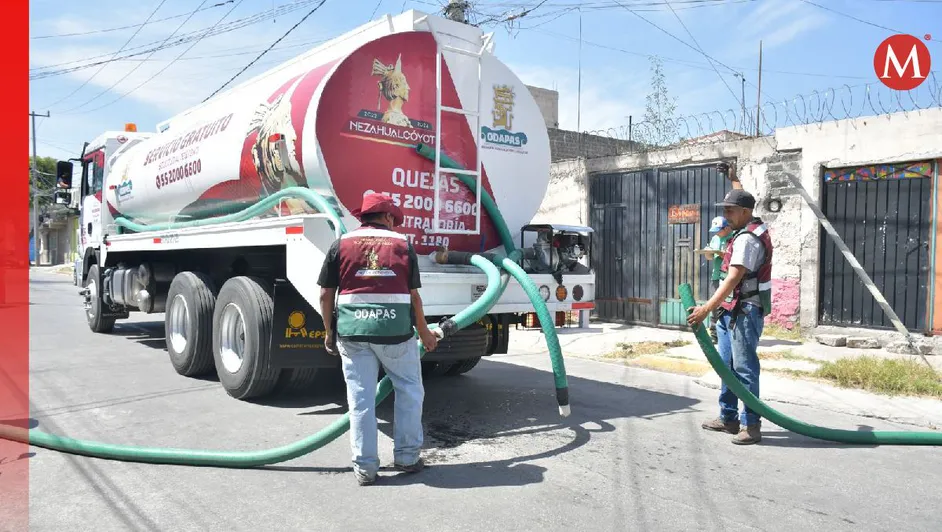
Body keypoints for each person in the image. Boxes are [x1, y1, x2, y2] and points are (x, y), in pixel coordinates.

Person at [317, 192, 440, 485]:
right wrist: (424, 332)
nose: (395, 225)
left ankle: (365, 468)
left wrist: (328, 332)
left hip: (352, 333)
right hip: (395, 333)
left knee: (360, 399)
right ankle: (408, 457)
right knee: (409, 389)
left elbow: (324, 294)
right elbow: (414, 298)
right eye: (393, 219)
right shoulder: (402, 245)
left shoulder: (341, 244)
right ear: (386, 216)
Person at [687, 179, 773, 445]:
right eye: (724, 210)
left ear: (745, 212)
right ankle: (729, 418)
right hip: (730, 310)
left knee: (744, 368)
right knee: (726, 366)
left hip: (745, 310)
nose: (725, 215)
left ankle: (752, 425)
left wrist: (705, 309)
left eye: (730, 210)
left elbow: (734, 278)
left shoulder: (748, 239)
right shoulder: (743, 231)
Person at [705, 216, 733, 344]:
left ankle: (730, 333)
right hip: (716, 276)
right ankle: (714, 334)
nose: (717, 233)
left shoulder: (735, 237)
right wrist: (707, 253)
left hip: (729, 277)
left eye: (719, 230)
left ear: (727, 228)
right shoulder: (715, 238)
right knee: (714, 305)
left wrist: (725, 255)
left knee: (729, 306)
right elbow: (710, 257)